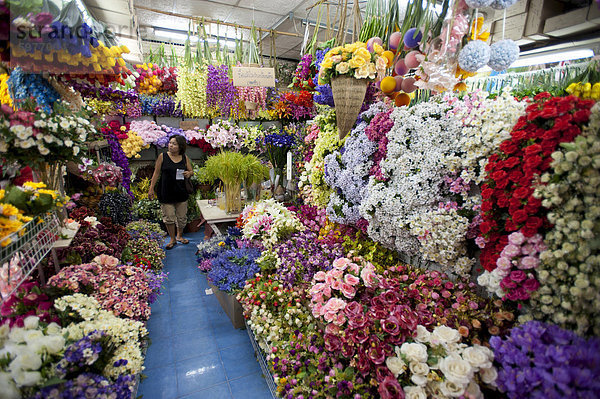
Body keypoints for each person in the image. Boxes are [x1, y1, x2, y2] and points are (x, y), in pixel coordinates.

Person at [149, 135, 193, 249]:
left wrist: (189, 173)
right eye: (170, 143)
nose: (170, 145)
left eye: (174, 144)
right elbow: (156, 173)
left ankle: (179, 236)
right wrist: (151, 188)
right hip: (166, 191)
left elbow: (191, 170)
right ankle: (172, 239)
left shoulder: (184, 157)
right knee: (168, 217)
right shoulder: (162, 156)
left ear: (180, 147)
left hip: (181, 191)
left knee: (182, 217)